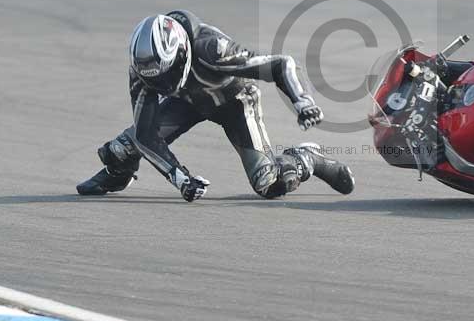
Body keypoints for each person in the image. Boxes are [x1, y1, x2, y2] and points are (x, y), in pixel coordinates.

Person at [77, 10, 354, 202]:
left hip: (234, 101)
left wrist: (302, 101)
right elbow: (146, 134)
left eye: (166, 75)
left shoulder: (213, 50)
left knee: (267, 183)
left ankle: (306, 158)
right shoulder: (143, 71)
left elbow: (281, 65)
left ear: (182, 53)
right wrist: (180, 178)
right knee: (120, 149)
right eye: (154, 80)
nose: (160, 85)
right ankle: (119, 175)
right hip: (185, 103)